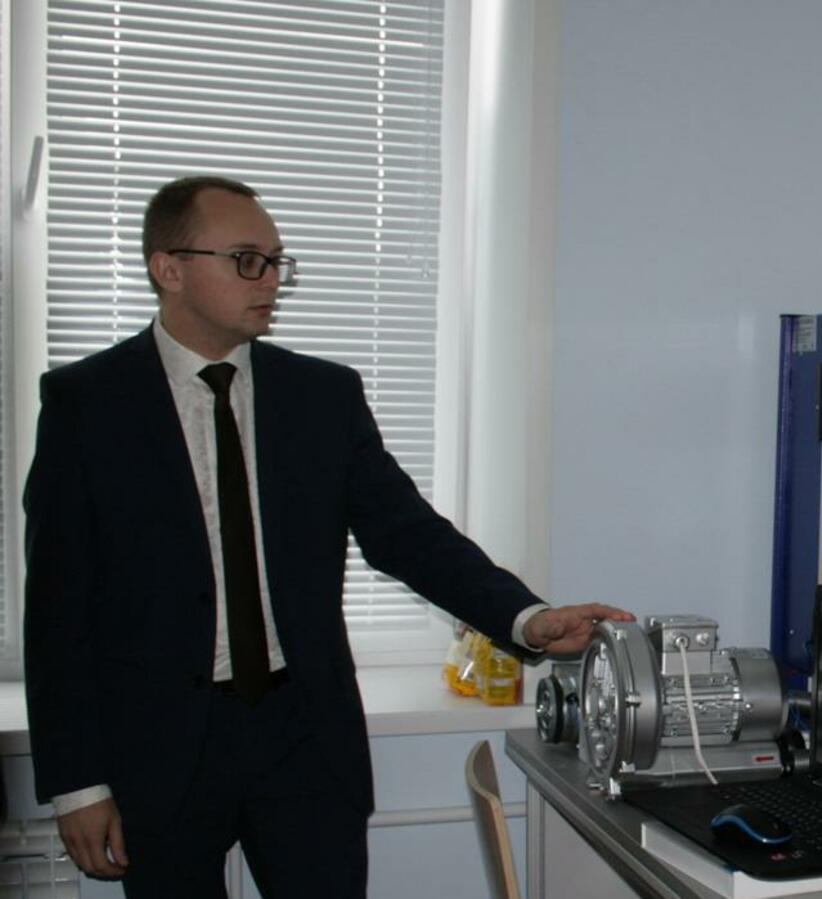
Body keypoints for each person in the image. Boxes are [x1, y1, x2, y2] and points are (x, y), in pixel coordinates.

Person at [22, 175, 633, 897]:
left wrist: (526, 618)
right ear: (169, 268)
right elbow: (57, 609)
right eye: (248, 260)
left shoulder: (320, 396)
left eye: (277, 261)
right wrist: (78, 784)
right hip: (159, 744)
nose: (270, 280)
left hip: (303, 735)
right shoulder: (88, 404)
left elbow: (406, 533)